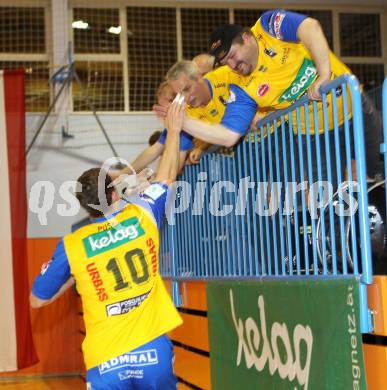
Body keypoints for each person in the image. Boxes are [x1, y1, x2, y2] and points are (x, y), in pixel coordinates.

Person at [30, 96, 187, 389]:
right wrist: (175, 130)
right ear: (114, 195)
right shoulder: (143, 214)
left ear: (85, 206)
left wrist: (75, 275)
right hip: (153, 350)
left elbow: (38, 300)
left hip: (106, 359)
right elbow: (167, 176)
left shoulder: (73, 245)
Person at [131, 81, 193, 173]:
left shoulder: (185, 123)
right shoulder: (173, 125)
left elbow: (173, 170)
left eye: (167, 103)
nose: (163, 110)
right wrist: (121, 173)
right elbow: (155, 149)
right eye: (160, 105)